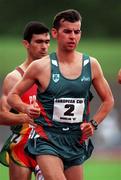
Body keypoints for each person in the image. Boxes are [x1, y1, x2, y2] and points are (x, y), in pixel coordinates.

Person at [8, 9, 114, 180]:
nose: (72, 36)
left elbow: (108, 100)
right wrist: (26, 108)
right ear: (55, 33)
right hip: (46, 137)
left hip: (75, 139)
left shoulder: (91, 65)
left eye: (76, 31)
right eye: (67, 31)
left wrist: (93, 124)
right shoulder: (40, 67)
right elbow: (13, 95)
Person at [0, 21, 50, 180]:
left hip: (49, 144)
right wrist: (24, 117)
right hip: (22, 144)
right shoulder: (14, 78)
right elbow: (2, 115)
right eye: (39, 42)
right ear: (26, 44)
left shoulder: (55, 76)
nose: (44, 46)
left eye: (47, 42)